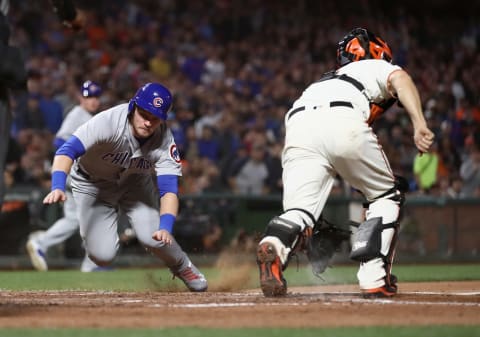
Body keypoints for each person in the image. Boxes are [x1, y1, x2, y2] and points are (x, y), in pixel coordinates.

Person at [256, 28, 434, 298]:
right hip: (342, 117)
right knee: (386, 195)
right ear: (375, 51)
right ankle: (374, 276)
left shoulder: (321, 82)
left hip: (298, 124)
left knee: (299, 211)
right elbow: (400, 78)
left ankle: (273, 244)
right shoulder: (374, 66)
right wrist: (419, 122)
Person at [42, 82, 208, 292]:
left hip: (134, 183)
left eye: (155, 117)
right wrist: (57, 185)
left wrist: (165, 226)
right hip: (92, 184)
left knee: (154, 237)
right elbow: (66, 151)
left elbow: (169, 190)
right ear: (133, 106)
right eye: (144, 113)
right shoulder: (108, 121)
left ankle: (183, 266)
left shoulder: (164, 140)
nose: (148, 122)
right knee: (102, 256)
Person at [26, 80, 104, 272]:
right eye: (88, 97)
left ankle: (42, 243)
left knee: (75, 219)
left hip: (79, 175)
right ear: (80, 98)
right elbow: (59, 141)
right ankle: (91, 261)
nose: (92, 100)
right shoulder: (78, 115)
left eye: (95, 97)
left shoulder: (88, 116)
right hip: (75, 175)